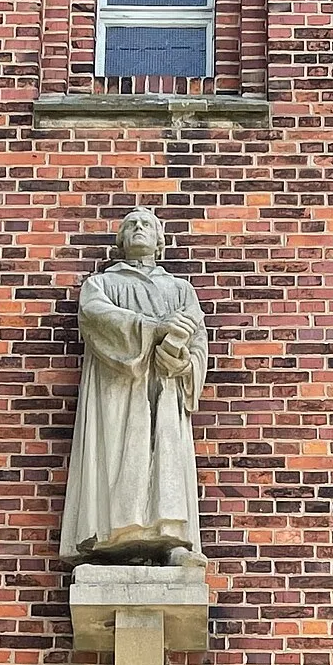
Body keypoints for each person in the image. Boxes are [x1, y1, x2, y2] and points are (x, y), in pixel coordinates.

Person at [60, 208, 208, 566]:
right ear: (121, 241)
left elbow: (198, 341)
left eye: (146, 225)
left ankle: (171, 542)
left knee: (165, 457)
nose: (139, 229)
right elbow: (96, 316)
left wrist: (182, 360)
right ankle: (113, 538)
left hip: (164, 388)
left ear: (160, 240)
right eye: (131, 225)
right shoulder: (103, 284)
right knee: (119, 457)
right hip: (117, 387)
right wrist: (154, 329)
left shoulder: (179, 289)